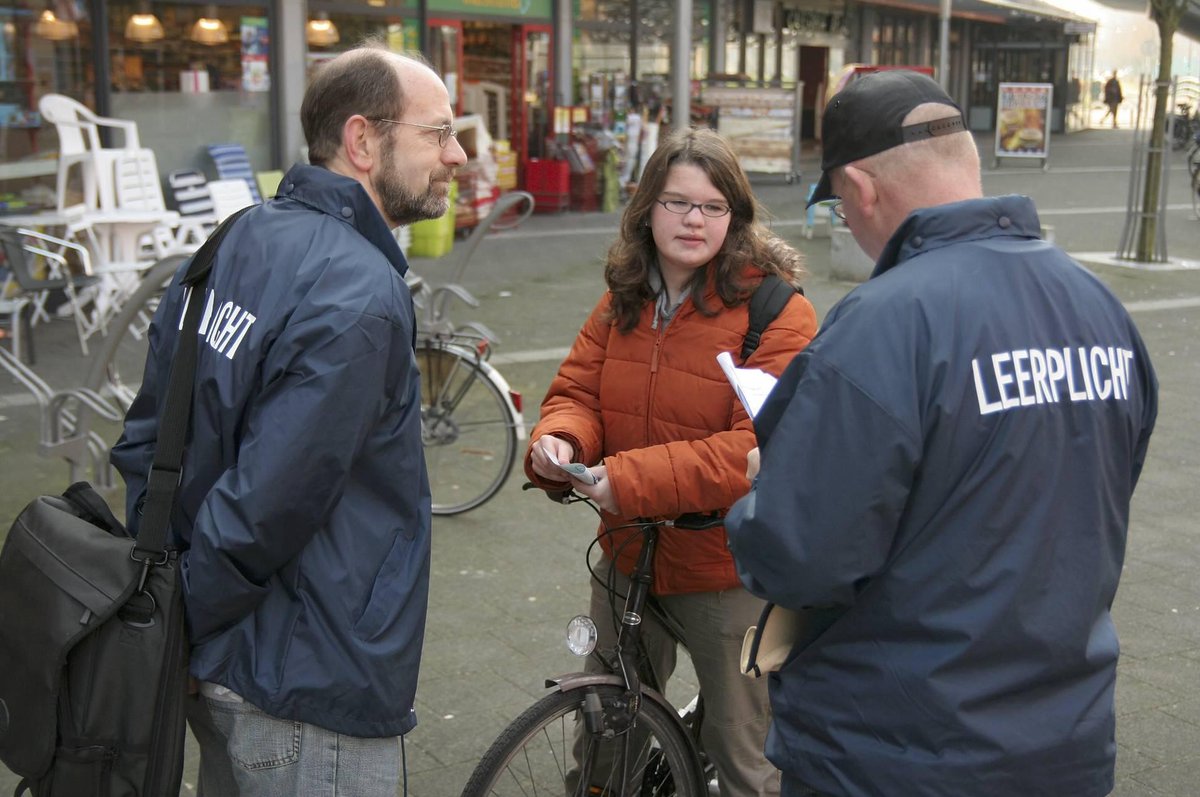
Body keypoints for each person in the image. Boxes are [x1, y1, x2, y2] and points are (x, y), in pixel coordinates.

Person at [725, 70, 1158, 797]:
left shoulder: (883, 324)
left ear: (860, 188)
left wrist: (769, 486)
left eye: (841, 206)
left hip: (893, 750)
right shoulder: (1101, 311)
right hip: (1062, 744)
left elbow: (798, 558)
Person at [111, 43, 467, 796]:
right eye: (437, 133)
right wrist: (186, 624)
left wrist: (171, 618)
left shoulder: (236, 237)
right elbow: (266, 506)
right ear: (363, 141)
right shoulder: (362, 296)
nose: (458, 154)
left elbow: (147, 438)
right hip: (307, 679)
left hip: (224, 659)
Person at [525, 126, 818, 797]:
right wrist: (562, 442)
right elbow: (577, 392)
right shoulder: (623, 297)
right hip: (629, 555)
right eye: (677, 202)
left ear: (735, 217)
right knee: (605, 736)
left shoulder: (777, 312)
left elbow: (757, 446)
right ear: (646, 209)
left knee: (746, 754)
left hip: (727, 568)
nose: (693, 219)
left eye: (713, 206)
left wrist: (626, 480)